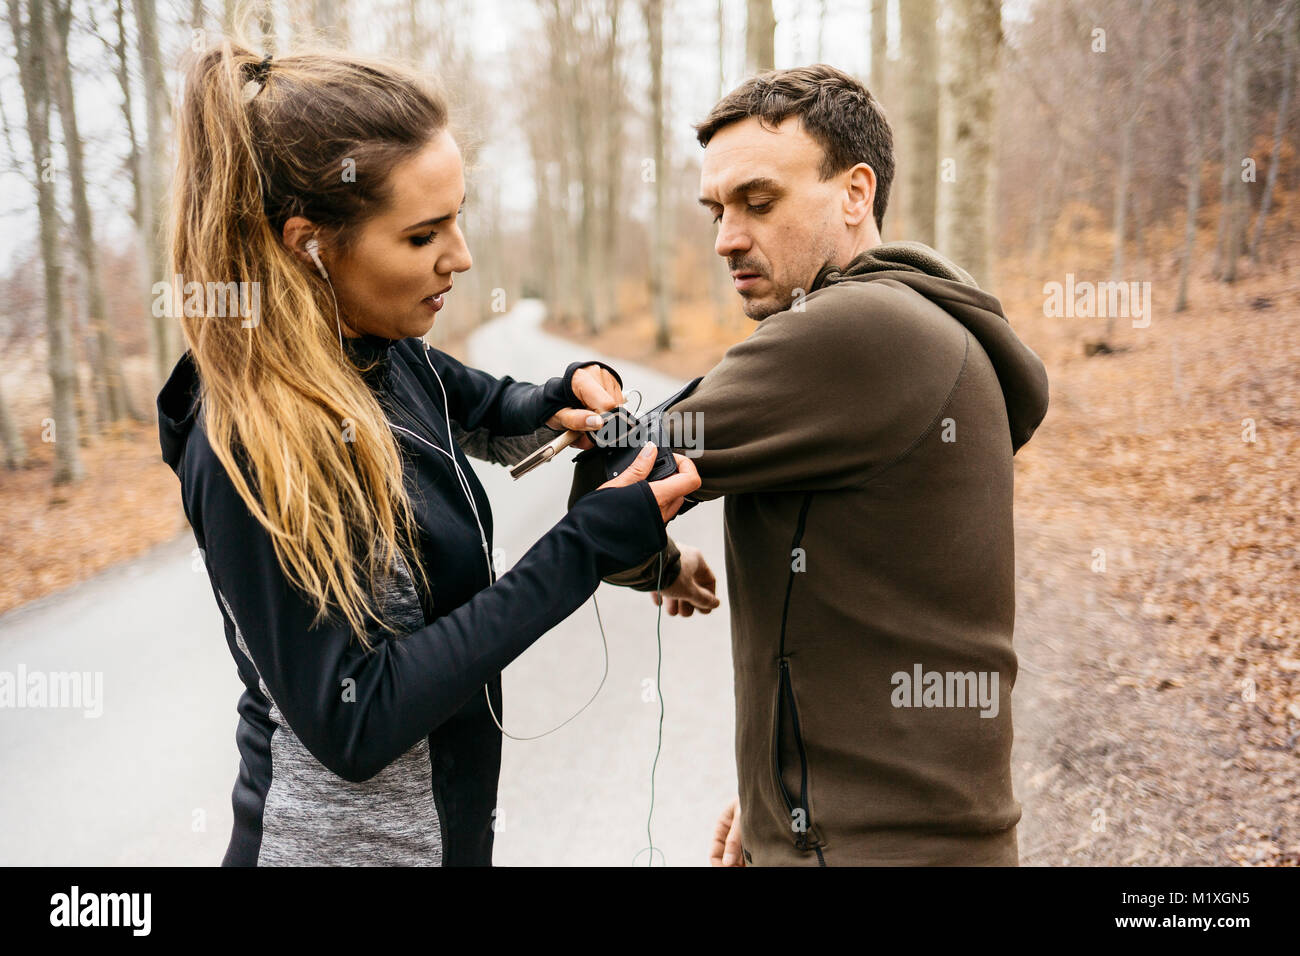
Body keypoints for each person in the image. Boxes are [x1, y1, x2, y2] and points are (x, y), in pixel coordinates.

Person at [156, 41, 703, 866]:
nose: (461, 255)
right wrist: (584, 548)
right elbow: (355, 719)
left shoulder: (376, 339)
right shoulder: (247, 438)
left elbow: (479, 404)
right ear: (309, 243)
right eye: (422, 235)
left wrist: (560, 393)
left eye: (458, 216)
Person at [573, 64, 1051, 866]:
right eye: (717, 210)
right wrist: (773, 802)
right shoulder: (931, 320)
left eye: (759, 203)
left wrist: (657, 563)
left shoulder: (854, 331)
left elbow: (606, 485)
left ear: (855, 193)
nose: (727, 236)